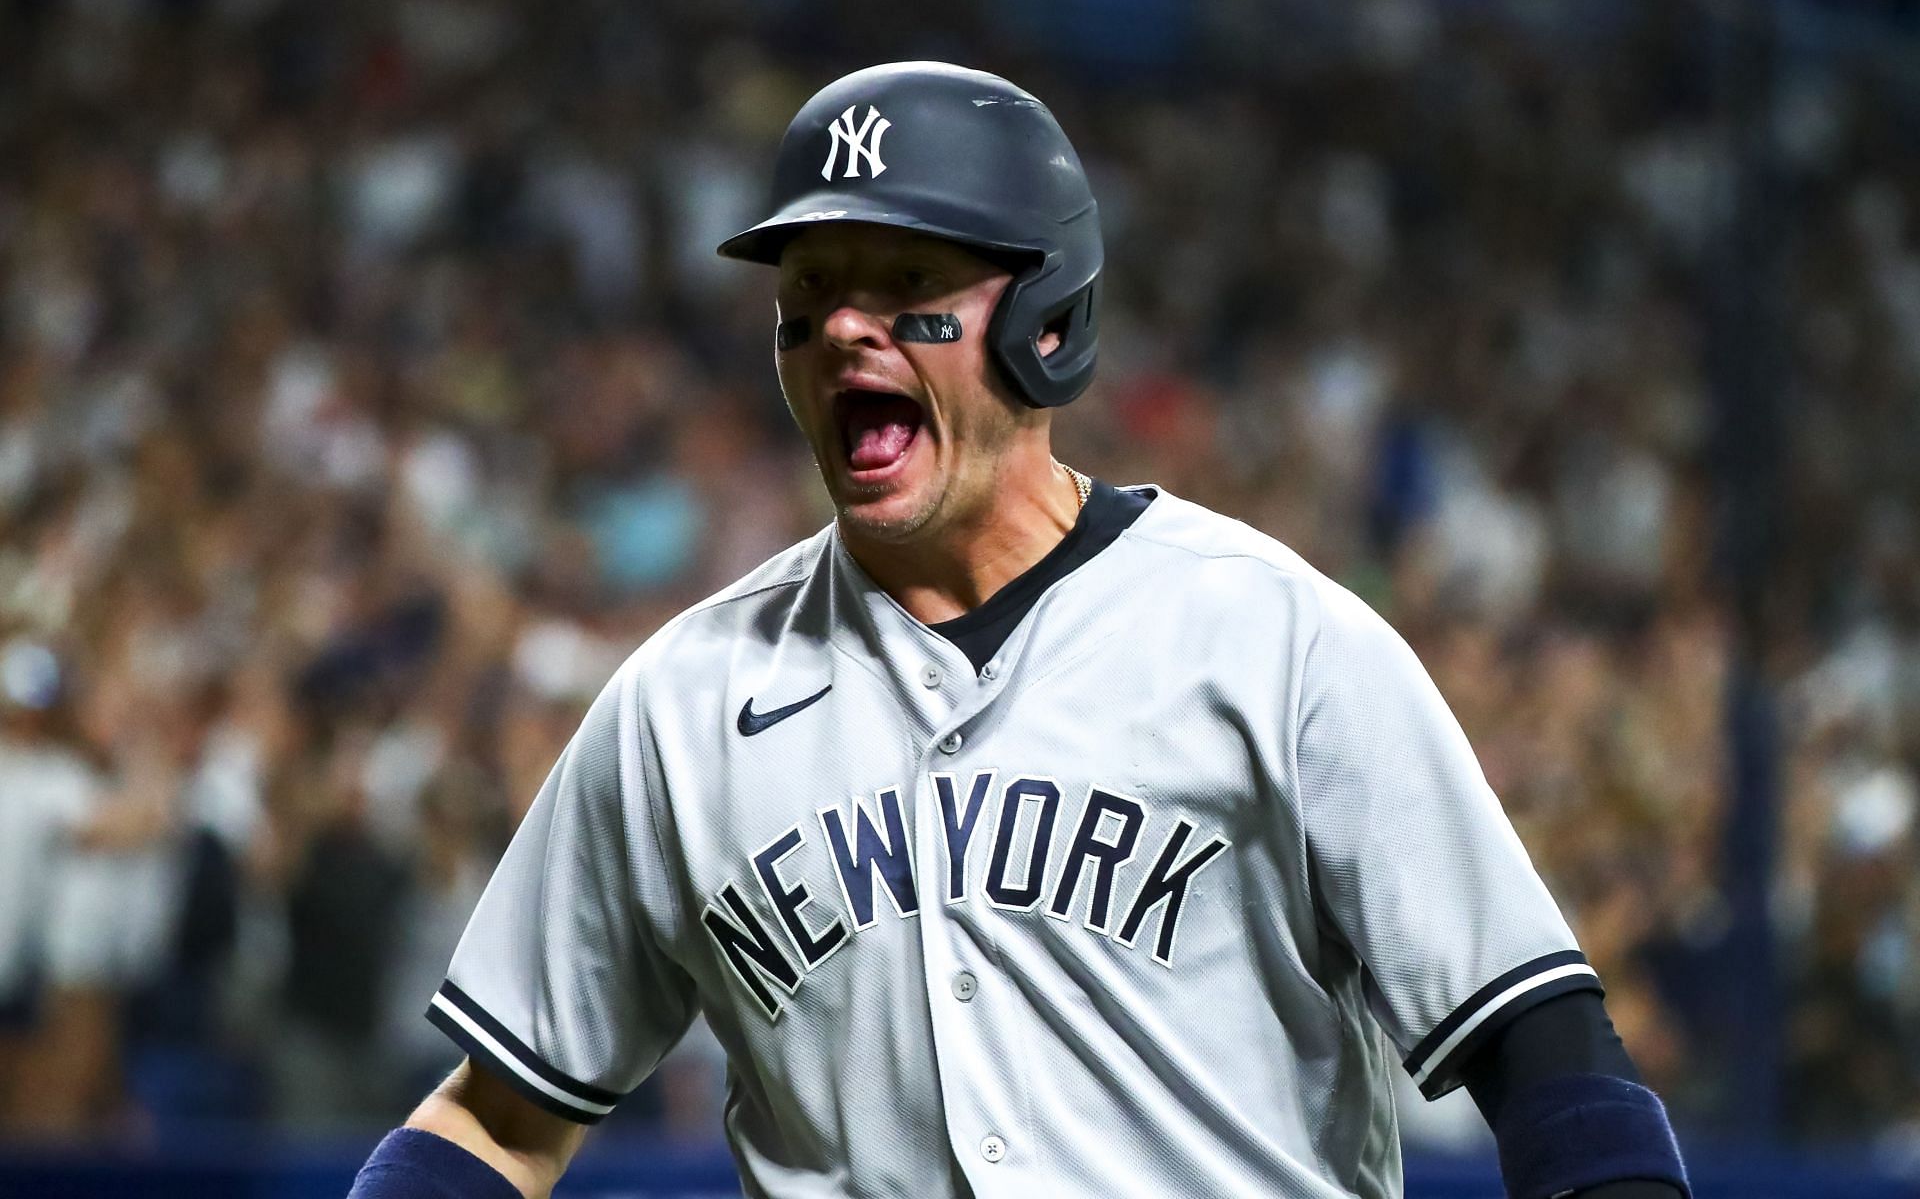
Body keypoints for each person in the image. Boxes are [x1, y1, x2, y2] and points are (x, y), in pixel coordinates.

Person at [348, 62, 1690, 1199]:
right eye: (809, 298)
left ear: (1048, 321)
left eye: (905, 282)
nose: (843, 334)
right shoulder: (681, 706)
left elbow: (1545, 1049)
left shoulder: (1272, 640)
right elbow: (499, 1115)